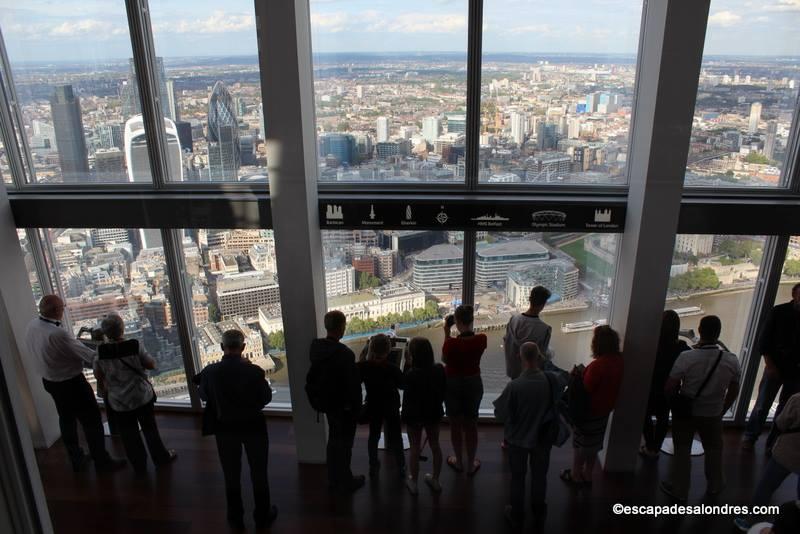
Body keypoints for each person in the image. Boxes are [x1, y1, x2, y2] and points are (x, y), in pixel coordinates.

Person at [24, 295, 126, 473]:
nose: (64, 309)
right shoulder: (58, 333)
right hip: (71, 383)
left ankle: (76, 457)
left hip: (49, 381)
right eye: (62, 307)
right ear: (57, 311)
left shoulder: (32, 325)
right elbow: (90, 356)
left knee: (66, 419)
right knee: (92, 421)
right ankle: (101, 461)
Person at [195, 329, 277, 530]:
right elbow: (266, 398)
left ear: (222, 347)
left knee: (231, 473)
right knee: (258, 472)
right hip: (253, 426)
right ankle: (262, 515)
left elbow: (204, 395)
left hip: (225, 428)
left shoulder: (210, 372)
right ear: (243, 348)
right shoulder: (254, 371)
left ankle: (235, 516)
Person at [661, 315, 741, 502]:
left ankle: (680, 489)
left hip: (687, 411)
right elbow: (735, 387)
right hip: (713, 412)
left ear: (699, 330)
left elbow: (670, 386)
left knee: (682, 450)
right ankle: (715, 485)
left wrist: (674, 403)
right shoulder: (731, 359)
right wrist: (723, 408)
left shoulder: (687, 357)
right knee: (714, 449)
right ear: (718, 334)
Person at [494, 342, 566, 529]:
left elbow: (500, 414)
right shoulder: (552, 381)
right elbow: (565, 380)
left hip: (518, 439)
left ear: (520, 357)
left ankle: (517, 513)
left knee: (518, 477)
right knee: (539, 475)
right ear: (539, 357)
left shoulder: (515, 386)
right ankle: (539, 510)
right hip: (543, 438)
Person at [94, 314, 176, 474]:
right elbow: (151, 364)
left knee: (128, 434)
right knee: (150, 428)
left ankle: (139, 465)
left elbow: (98, 374)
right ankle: (160, 458)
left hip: (118, 400)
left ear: (105, 333)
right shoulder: (133, 345)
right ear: (122, 328)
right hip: (140, 395)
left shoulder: (101, 351)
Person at [306, 310, 365, 492]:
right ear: (342, 327)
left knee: (333, 440)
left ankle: (333, 479)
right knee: (346, 444)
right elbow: (353, 385)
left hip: (326, 403)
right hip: (344, 407)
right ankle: (346, 480)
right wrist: (358, 409)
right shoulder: (344, 354)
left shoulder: (316, 348)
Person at [560, 325, 624, 486]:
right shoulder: (619, 361)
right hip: (605, 409)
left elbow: (587, 389)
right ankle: (588, 475)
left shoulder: (597, 365)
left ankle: (575, 475)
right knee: (594, 444)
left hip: (589, 411)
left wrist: (576, 376)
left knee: (580, 443)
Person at [734, 392, 800, 532]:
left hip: (787, 452)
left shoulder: (797, 399)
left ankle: (749, 520)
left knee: (766, 487)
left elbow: (781, 423)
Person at [442, 305, 487, 476]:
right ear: (471, 320)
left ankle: (459, 461)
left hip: (452, 384)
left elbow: (445, 359)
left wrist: (447, 332)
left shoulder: (451, 343)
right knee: (471, 424)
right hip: (473, 383)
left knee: (455, 424)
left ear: (457, 322)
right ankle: (471, 463)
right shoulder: (482, 339)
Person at [640, 310, 691, 458]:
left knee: (645, 416)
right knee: (663, 418)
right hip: (670, 389)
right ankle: (656, 447)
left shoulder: (652, 345)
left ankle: (649, 445)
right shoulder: (681, 347)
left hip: (651, 387)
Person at [401, 337, 446, 496]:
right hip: (433, 413)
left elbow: (402, 384)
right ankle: (435, 479)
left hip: (414, 416)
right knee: (435, 445)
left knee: (414, 448)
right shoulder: (439, 369)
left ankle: (413, 482)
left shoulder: (410, 374)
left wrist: (406, 363)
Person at [357, 334, 405, 480]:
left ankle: (373, 464)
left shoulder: (364, 367)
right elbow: (402, 384)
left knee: (374, 435)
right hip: (391, 406)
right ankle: (401, 465)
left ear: (370, 349)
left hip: (373, 404)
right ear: (388, 350)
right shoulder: (392, 369)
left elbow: (357, 374)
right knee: (396, 436)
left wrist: (364, 354)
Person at [761, 283, 800, 453]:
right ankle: (754, 437)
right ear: (793, 294)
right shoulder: (778, 312)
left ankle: (772, 442)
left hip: (795, 370)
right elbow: (764, 341)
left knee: (784, 408)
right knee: (763, 404)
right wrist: (770, 365)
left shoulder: (779, 312)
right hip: (776, 366)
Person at [503, 286, 552, 381]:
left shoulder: (513, 320)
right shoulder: (545, 329)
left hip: (514, 372)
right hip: (532, 376)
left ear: (530, 299)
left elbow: (507, 343)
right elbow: (542, 356)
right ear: (543, 304)